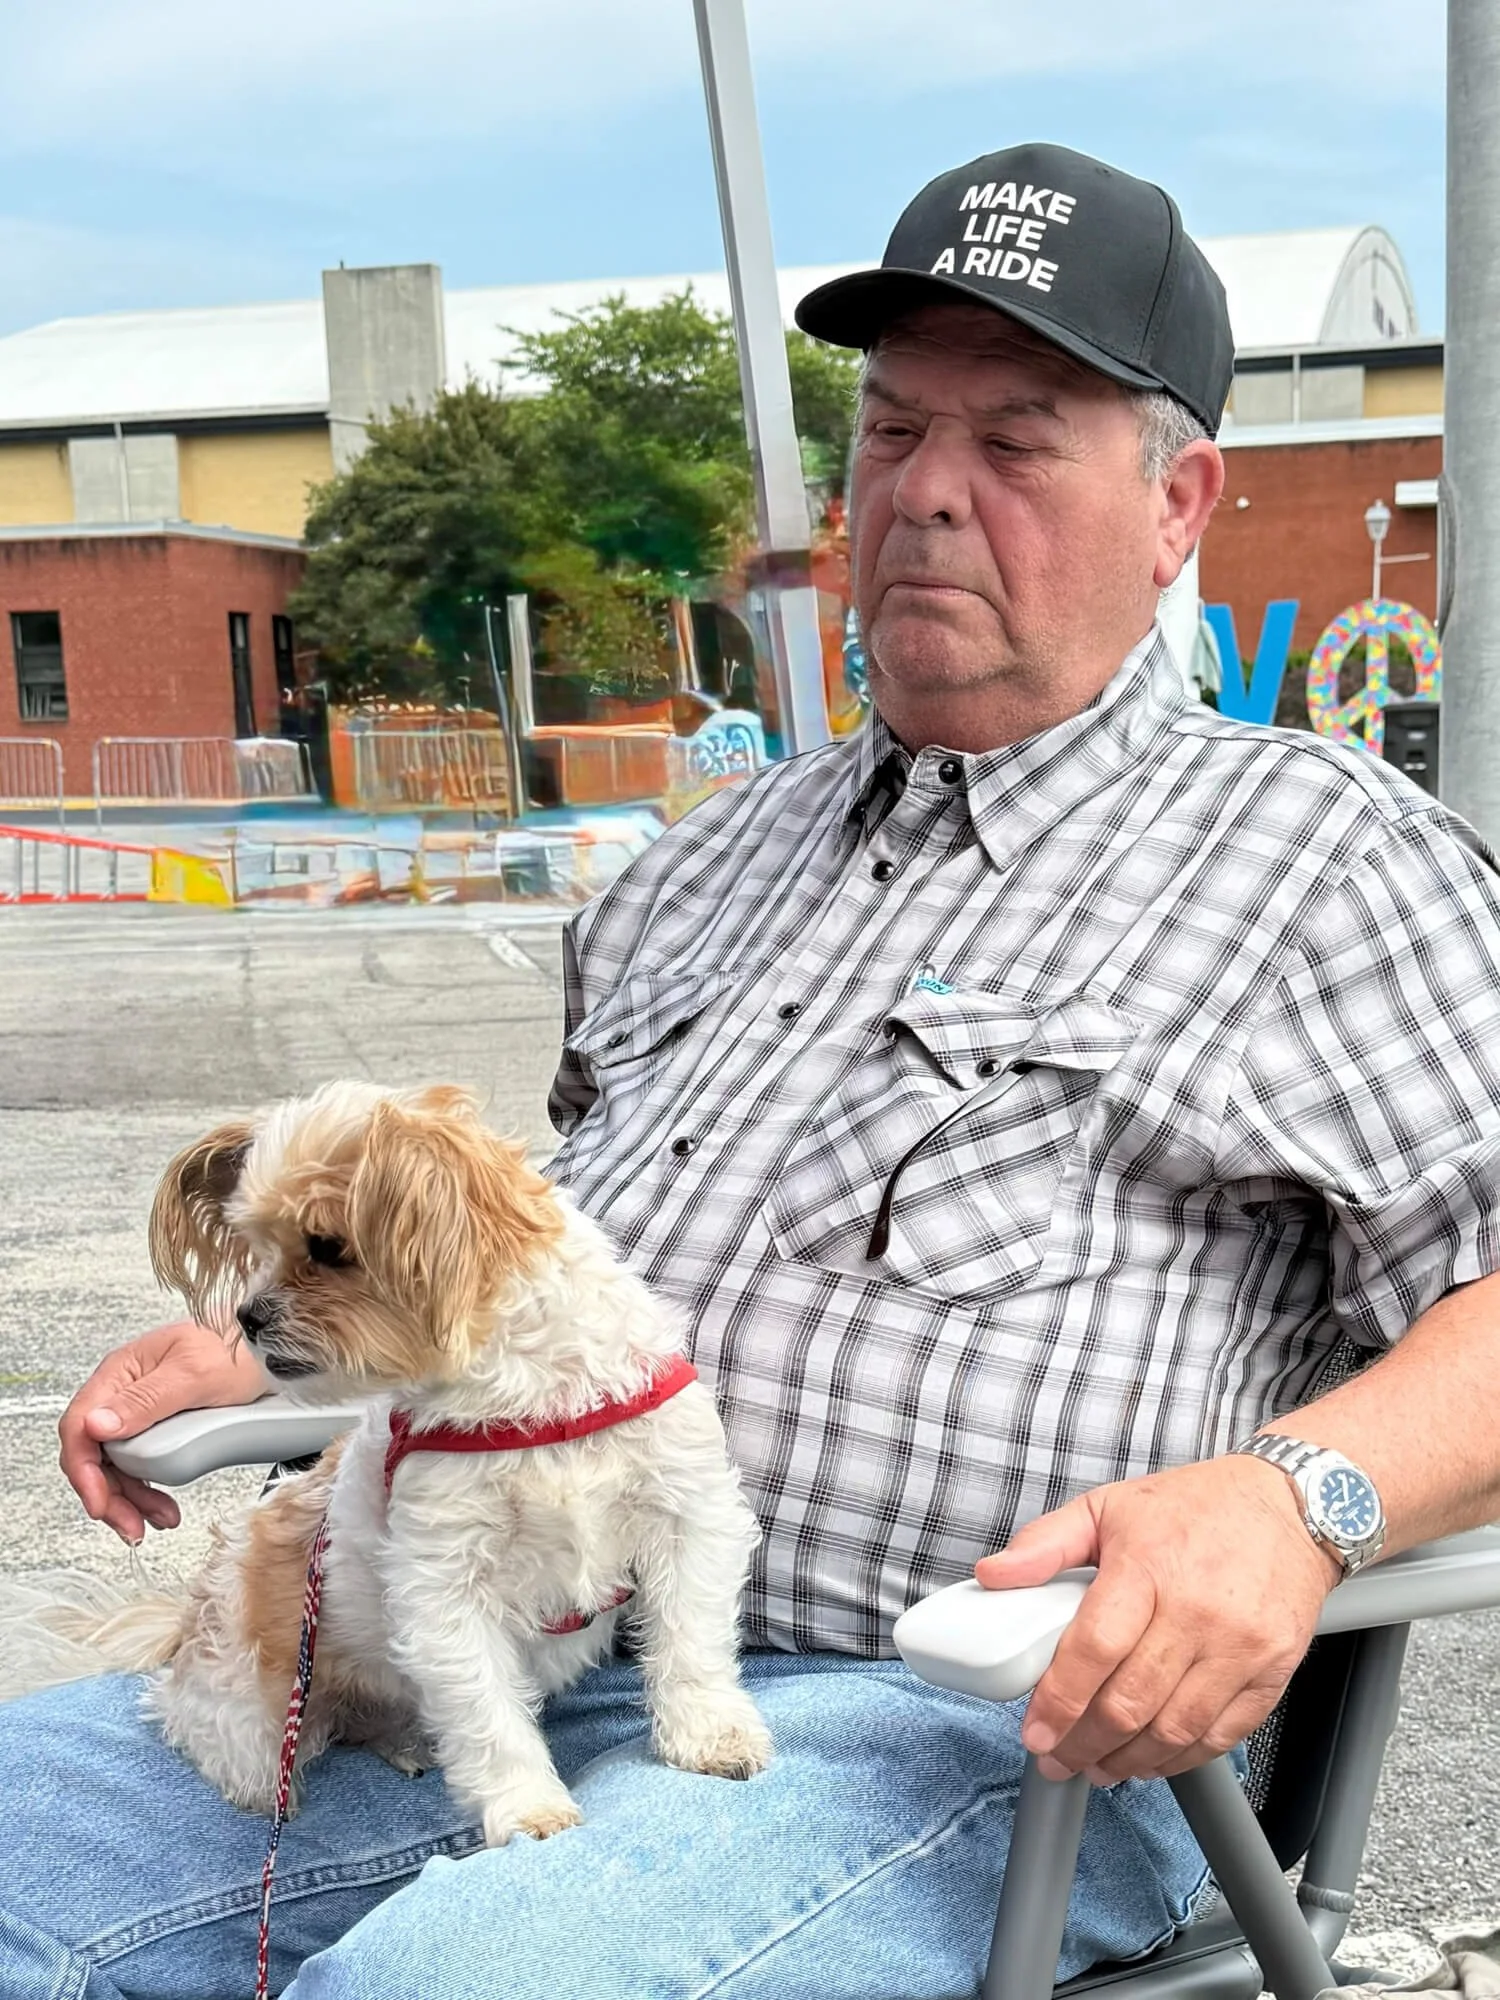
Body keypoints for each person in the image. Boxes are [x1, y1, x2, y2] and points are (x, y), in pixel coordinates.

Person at [10, 140, 1500, 1999]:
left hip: (964, 1732)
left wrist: (1294, 1497)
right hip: (515, 1640)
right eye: (893, 431)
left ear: (1177, 501)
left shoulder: (1329, 867)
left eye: (1015, 441)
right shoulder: (701, 866)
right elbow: (532, 1286)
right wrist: (293, 1343)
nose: (928, 492)